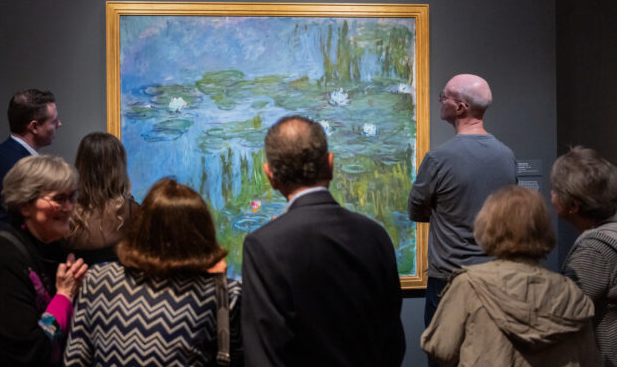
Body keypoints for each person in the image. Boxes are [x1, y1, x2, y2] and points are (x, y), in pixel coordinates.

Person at [241, 115, 405, 367]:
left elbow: (264, 353)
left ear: (270, 176)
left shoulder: (263, 245)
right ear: (330, 165)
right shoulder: (375, 235)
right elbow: (393, 342)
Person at [64, 178, 243, 367]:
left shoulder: (98, 279)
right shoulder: (224, 293)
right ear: (203, 233)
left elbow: (75, 358)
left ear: (140, 226)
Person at [421, 185, 601, 367]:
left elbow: (441, 348)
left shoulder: (469, 285)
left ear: (488, 227)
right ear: (543, 229)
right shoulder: (569, 292)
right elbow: (590, 360)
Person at [408, 74, 516, 365]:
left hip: (448, 282)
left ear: (460, 107)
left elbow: (416, 211)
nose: (440, 100)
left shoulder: (438, 159)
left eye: (445, 95)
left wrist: (442, 210)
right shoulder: (506, 156)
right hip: (496, 281)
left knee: (445, 357)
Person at [0, 155, 87, 367]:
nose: (68, 208)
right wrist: (64, 295)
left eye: (72, 197)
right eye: (58, 199)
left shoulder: (51, 249)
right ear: (25, 206)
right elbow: (27, 354)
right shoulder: (1, 259)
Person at [0, 89, 61, 257]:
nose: (59, 124)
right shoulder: (25, 169)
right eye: (53, 121)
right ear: (34, 127)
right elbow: (8, 223)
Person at [552, 146, 617, 366]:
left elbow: (562, 314)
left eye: (555, 190)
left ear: (572, 205)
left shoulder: (595, 251)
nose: (551, 195)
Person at [62, 132, 139, 265]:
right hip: (116, 285)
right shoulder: (131, 211)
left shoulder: (64, 213)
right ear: (118, 167)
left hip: (73, 284)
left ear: (81, 165)